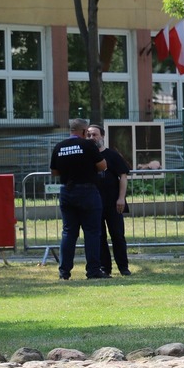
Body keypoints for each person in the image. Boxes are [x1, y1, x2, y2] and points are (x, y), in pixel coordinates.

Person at [49, 118, 108, 280]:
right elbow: (103, 166)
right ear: (83, 131)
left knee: (68, 232)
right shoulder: (88, 145)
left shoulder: (59, 146)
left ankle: (64, 272)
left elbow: (54, 172)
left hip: (66, 191)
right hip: (87, 191)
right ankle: (93, 270)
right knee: (92, 232)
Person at [87, 124, 131, 277]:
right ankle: (105, 268)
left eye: (95, 134)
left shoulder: (112, 155)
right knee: (99, 237)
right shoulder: (86, 156)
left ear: (102, 136)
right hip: (94, 204)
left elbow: (123, 176)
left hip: (113, 203)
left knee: (117, 235)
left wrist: (121, 198)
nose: (92, 138)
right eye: (89, 135)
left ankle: (123, 267)